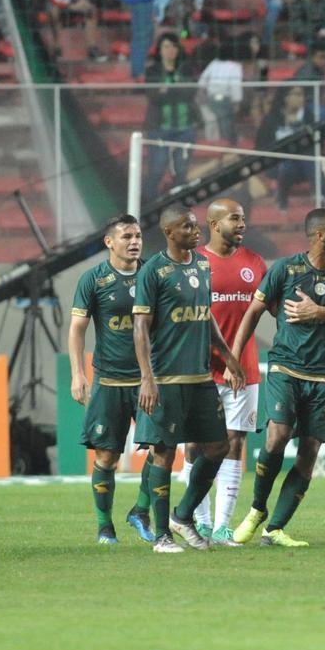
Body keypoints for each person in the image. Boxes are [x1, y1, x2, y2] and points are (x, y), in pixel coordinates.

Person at [230, 209, 325, 548]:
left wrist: (320, 312)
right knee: (277, 436)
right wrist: (234, 359)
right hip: (286, 367)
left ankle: (275, 528)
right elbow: (253, 312)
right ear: (319, 236)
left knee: (310, 450)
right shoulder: (285, 269)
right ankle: (257, 509)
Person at [132, 207, 246, 553]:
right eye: (187, 227)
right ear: (169, 232)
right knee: (163, 452)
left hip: (200, 376)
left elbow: (205, 314)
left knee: (218, 446)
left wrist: (227, 355)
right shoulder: (153, 271)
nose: (195, 231)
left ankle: (183, 516)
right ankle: (162, 535)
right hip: (166, 378)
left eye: (196, 226)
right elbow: (140, 327)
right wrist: (147, 378)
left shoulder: (200, 265)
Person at [176, 200, 268, 546]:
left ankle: (222, 526)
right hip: (201, 370)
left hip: (244, 369)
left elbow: (270, 308)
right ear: (214, 224)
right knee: (196, 445)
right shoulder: (194, 263)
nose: (242, 224)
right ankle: (193, 521)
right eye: (235, 218)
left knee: (234, 442)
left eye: (244, 218)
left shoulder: (255, 264)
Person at [69, 214, 155, 545]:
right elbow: (77, 329)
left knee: (161, 448)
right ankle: (105, 526)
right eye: (127, 237)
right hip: (109, 381)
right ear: (110, 242)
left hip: (148, 380)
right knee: (107, 458)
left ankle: (141, 510)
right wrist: (79, 373)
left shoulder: (153, 274)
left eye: (138, 236)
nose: (134, 242)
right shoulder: (94, 280)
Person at [142, 33, 199, 200]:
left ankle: (179, 207)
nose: (170, 50)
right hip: (159, 128)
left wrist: (167, 90)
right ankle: (148, 205)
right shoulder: (152, 71)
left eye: (174, 46)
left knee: (181, 171)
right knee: (157, 170)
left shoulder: (187, 68)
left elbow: (190, 92)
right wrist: (176, 90)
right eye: (166, 46)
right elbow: (154, 96)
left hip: (185, 128)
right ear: (159, 50)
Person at [197, 40, 242, 143]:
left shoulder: (213, 64)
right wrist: (237, 102)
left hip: (212, 98)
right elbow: (236, 86)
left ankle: (226, 142)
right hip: (222, 100)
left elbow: (202, 82)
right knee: (226, 122)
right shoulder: (234, 66)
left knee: (223, 122)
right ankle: (227, 143)